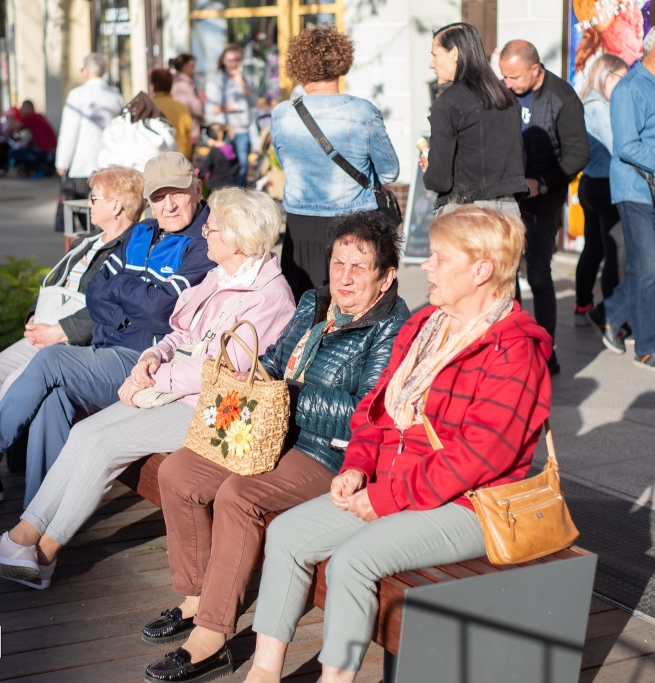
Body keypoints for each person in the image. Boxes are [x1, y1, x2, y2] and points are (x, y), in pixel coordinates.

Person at [243, 205, 552, 683]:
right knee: (285, 535)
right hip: (394, 484)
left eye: (440, 258)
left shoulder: (513, 348)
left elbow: (476, 458)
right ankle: (262, 673)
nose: (425, 265)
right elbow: (375, 410)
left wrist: (385, 498)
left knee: (353, 561)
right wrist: (356, 466)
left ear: (481, 270)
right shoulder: (425, 326)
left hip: (471, 505)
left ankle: (335, 679)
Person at [0, 188, 295, 587]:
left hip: (215, 412)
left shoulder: (270, 297)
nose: (205, 233)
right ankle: (23, 541)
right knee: (85, 432)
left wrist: (153, 377)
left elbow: (218, 372)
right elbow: (178, 332)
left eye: (212, 228)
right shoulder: (222, 275)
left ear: (237, 238)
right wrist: (152, 357)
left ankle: (40, 556)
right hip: (175, 391)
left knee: (103, 445)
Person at [141, 211, 410, 683]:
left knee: (239, 496)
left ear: (385, 278)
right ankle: (199, 596)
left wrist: (290, 393)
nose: (344, 277)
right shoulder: (313, 303)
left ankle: (212, 634)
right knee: (179, 473)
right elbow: (275, 359)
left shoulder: (391, 327)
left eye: (358, 268)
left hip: (330, 454)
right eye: (338, 263)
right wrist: (253, 376)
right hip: (269, 429)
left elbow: (366, 412)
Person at [0, 152, 216, 505]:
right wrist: (134, 299)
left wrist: (124, 294)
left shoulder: (205, 240)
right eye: (158, 197)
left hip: (147, 363)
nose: (169, 205)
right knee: (53, 399)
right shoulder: (143, 231)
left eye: (176, 192)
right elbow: (98, 291)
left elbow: (161, 308)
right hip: (105, 350)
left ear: (196, 186)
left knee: (53, 360)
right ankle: (35, 520)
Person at [0, 165, 145, 507]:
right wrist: (34, 313)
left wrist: (62, 331)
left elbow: (113, 305)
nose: (87, 204)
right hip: (44, 332)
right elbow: (55, 282)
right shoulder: (85, 242)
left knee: (17, 380)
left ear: (118, 205)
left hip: (72, 342)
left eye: (94, 197)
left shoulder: (130, 249)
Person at [271, 25, 400, 300]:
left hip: (301, 224)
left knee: (303, 313)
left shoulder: (282, 114)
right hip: (355, 222)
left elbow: (285, 163)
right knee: (355, 309)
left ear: (297, 66)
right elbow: (390, 172)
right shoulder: (362, 112)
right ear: (342, 62)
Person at [586, 24, 655, 373]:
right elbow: (627, 147)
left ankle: (609, 312)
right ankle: (646, 349)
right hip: (635, 189)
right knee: (646, 268)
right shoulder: (630, 89)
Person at [500, 40, 590, 375]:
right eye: (504, 77)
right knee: (507, 279)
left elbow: (579, 154)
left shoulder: (562, 97)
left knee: (538, 276)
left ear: (536, 69)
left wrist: (544, 182)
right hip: (506, 200)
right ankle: (515, 352)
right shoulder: (503, 91)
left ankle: (546, 353)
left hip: (543, 201)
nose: (507, 84)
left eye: (514, 78)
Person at [422, 22, 526, 217]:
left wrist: (431, 168)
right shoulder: (507, 99)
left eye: (435, 55)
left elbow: (439, 180)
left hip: (466, 214)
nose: (432, 64)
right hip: (509, 213)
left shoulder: (447, 103)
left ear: (454, 53)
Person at [574, 53, 628, 325]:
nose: (625, 84)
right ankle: (611, 315)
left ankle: (583, 305)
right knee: (615, 252)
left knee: (594, 248)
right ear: (608, 76)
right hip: (604, 185)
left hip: (591, 183)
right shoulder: (598, 109)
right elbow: (619, 147)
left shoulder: (588, 103)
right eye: (622, 78)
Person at [54, 53, 125, 232]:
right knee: (106, 215)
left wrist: (62, 162)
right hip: (109, 165)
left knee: (85, 216)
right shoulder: (115, 95)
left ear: (85, 71)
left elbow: (69, 132)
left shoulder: (77, 95)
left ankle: (90, 250)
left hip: (82, 166)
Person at [205, 44, 257, 187]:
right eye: (230, 60)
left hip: (242, 129)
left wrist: (242, 84)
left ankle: (240, 197)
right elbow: (209, 109)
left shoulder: (246, 80)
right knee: (224, 167)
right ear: (223, 61)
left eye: (237, 60)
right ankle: (227, 197)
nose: (234, 63)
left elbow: (254, 102)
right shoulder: (216, 83)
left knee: (243, 166)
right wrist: (223, 108)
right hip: (224, 131)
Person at [151, 67, 193, 159]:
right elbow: (188, 141)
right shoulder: (182, 108)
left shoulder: (148, 107)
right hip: (178, 161)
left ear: (152, 84)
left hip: (153, 161)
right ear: (171, 84)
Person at [9, 100, 58, 175]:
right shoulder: (38, 117)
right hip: (51, 151)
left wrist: (12, 117)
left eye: (23, 107)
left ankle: (41, 168)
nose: (21, 110)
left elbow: (11, 127)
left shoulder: (31, 117)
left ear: (29, 107)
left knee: (13, 152)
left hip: (46, 152)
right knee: (25, 149)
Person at [169, 53, 204, 147]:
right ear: (185, 66)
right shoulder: (183, 84)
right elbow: (196, 108)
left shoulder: (174, 81)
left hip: (178, 128)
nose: (194, 69)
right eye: (192, 66)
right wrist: (202, 105)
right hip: (188, 129)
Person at [197, 123, 239, 191]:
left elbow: (203, 171)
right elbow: (237, 167)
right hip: (232, 186)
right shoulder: (232, 150)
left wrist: (199, 176)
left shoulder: (214, 152)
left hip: (216, 187)